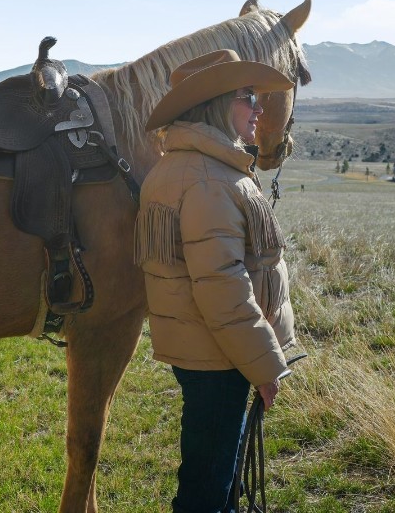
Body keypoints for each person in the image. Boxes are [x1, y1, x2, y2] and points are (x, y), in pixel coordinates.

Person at [136, 49, 298, 513]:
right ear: (216, 104)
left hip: (209, 350)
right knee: (207, 490)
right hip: (221, 355)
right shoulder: (210, 178)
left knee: (212, 477)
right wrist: (265, 365)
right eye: (248, 97)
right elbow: (222, 288)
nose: (260, 110)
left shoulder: (189, 168)